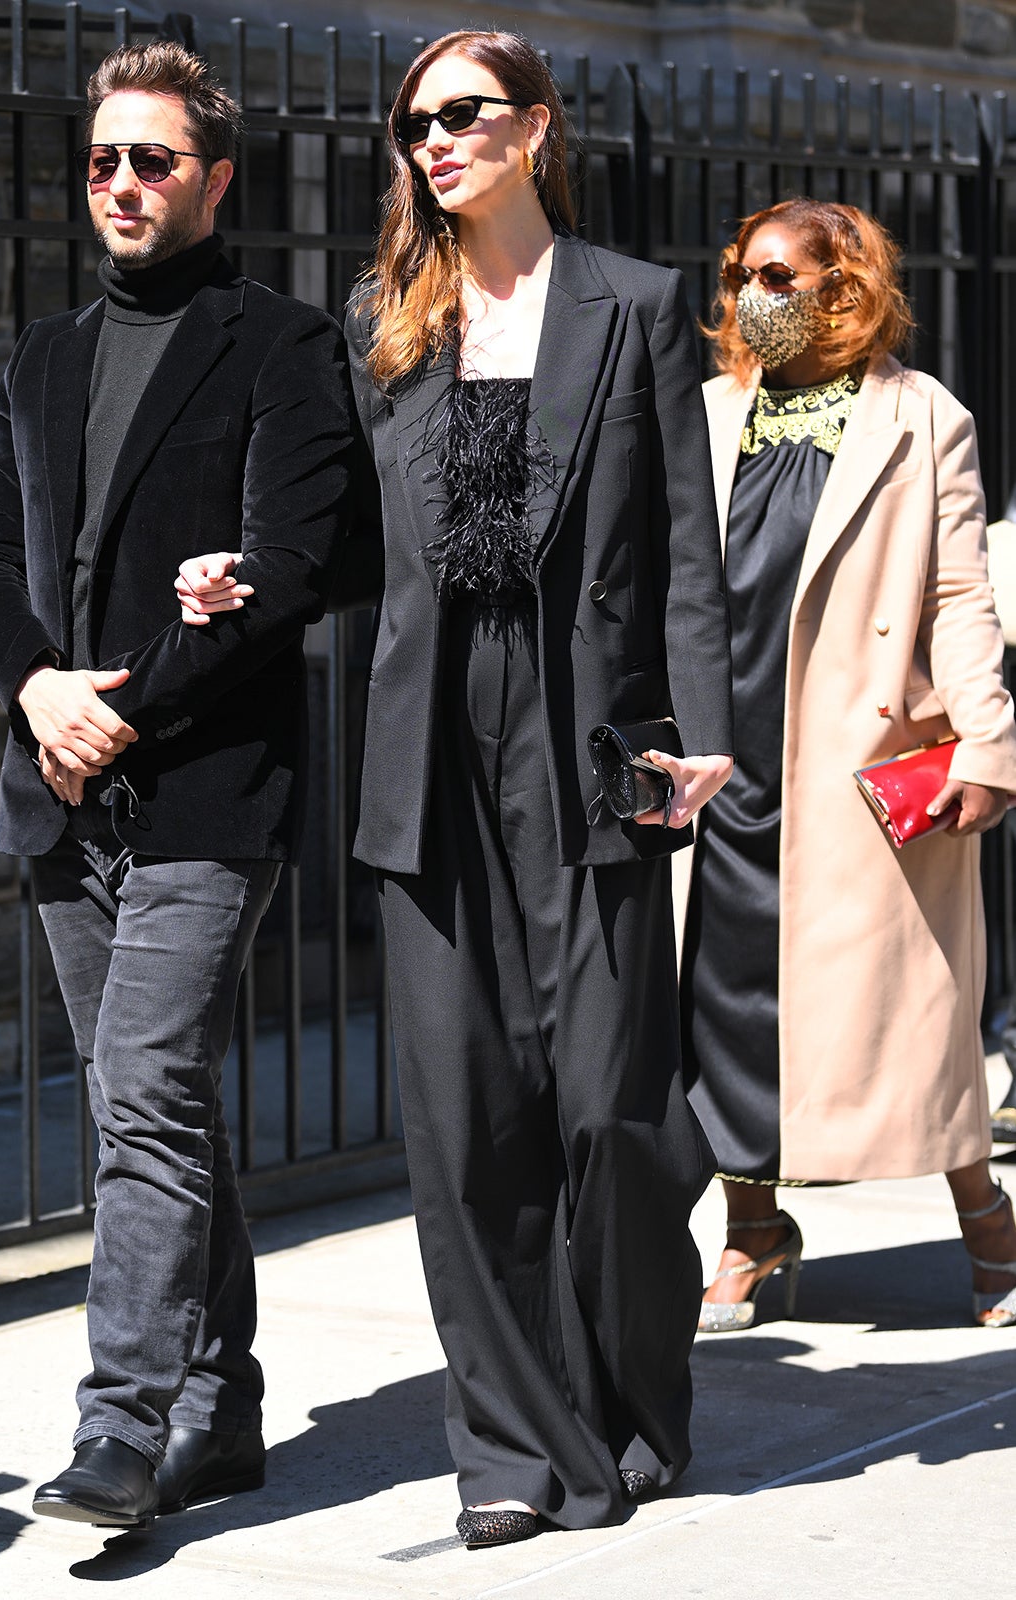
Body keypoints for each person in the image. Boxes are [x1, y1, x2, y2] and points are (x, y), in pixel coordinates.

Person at [175, 29, 735, 1546]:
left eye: (463, 116)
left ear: (534, 130)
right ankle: (504, 1448)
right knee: (459, 1103)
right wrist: (252, 573)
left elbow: (688, 540)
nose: (433, 142)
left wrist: (706, 728)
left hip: (594, 738)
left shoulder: (632, 306)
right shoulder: (385, 316)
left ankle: (625, 1394)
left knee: (612, 1105)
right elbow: (349, 537)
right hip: (428, 738)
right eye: (414, 123)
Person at [0, 41, 354, 1528]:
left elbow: (293, 567)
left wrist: (122, 714)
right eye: (106, 159)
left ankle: (122, 1423)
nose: (124, 183)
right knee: (152, 1106)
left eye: (156, 161)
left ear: (215, 178)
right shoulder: (45, 355)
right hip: (59, 791)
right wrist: (40, 693)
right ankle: (224, 1403)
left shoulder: (278, 344)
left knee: (148, 1098)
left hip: (207, 790)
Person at [680, 198, 1016, 1333]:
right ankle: (751, 1227)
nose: (750, 297)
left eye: (777, 276)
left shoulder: (920, 418)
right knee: (718, 1000)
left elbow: (959, 592)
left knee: (912, 1013)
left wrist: (985, 736)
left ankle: (986, 1218)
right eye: (740, 276)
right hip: (720, 750)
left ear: (841, 283)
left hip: (858, 751)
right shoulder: (709, 412)